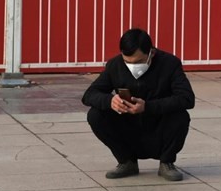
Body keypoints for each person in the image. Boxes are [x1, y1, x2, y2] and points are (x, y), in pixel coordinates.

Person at [82, 28, 195, 181]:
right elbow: (89, 95)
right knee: (95, 115)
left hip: (158, 125)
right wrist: (110, 101)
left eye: (139, 62)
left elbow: (187, 98)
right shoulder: (115, 65)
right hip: (128, 126)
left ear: (151, 53)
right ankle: (126, 161)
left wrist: (148, 106)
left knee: (180, 115)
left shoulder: (170, 63)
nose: (133, 66)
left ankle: (167, 162)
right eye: (128, 62)